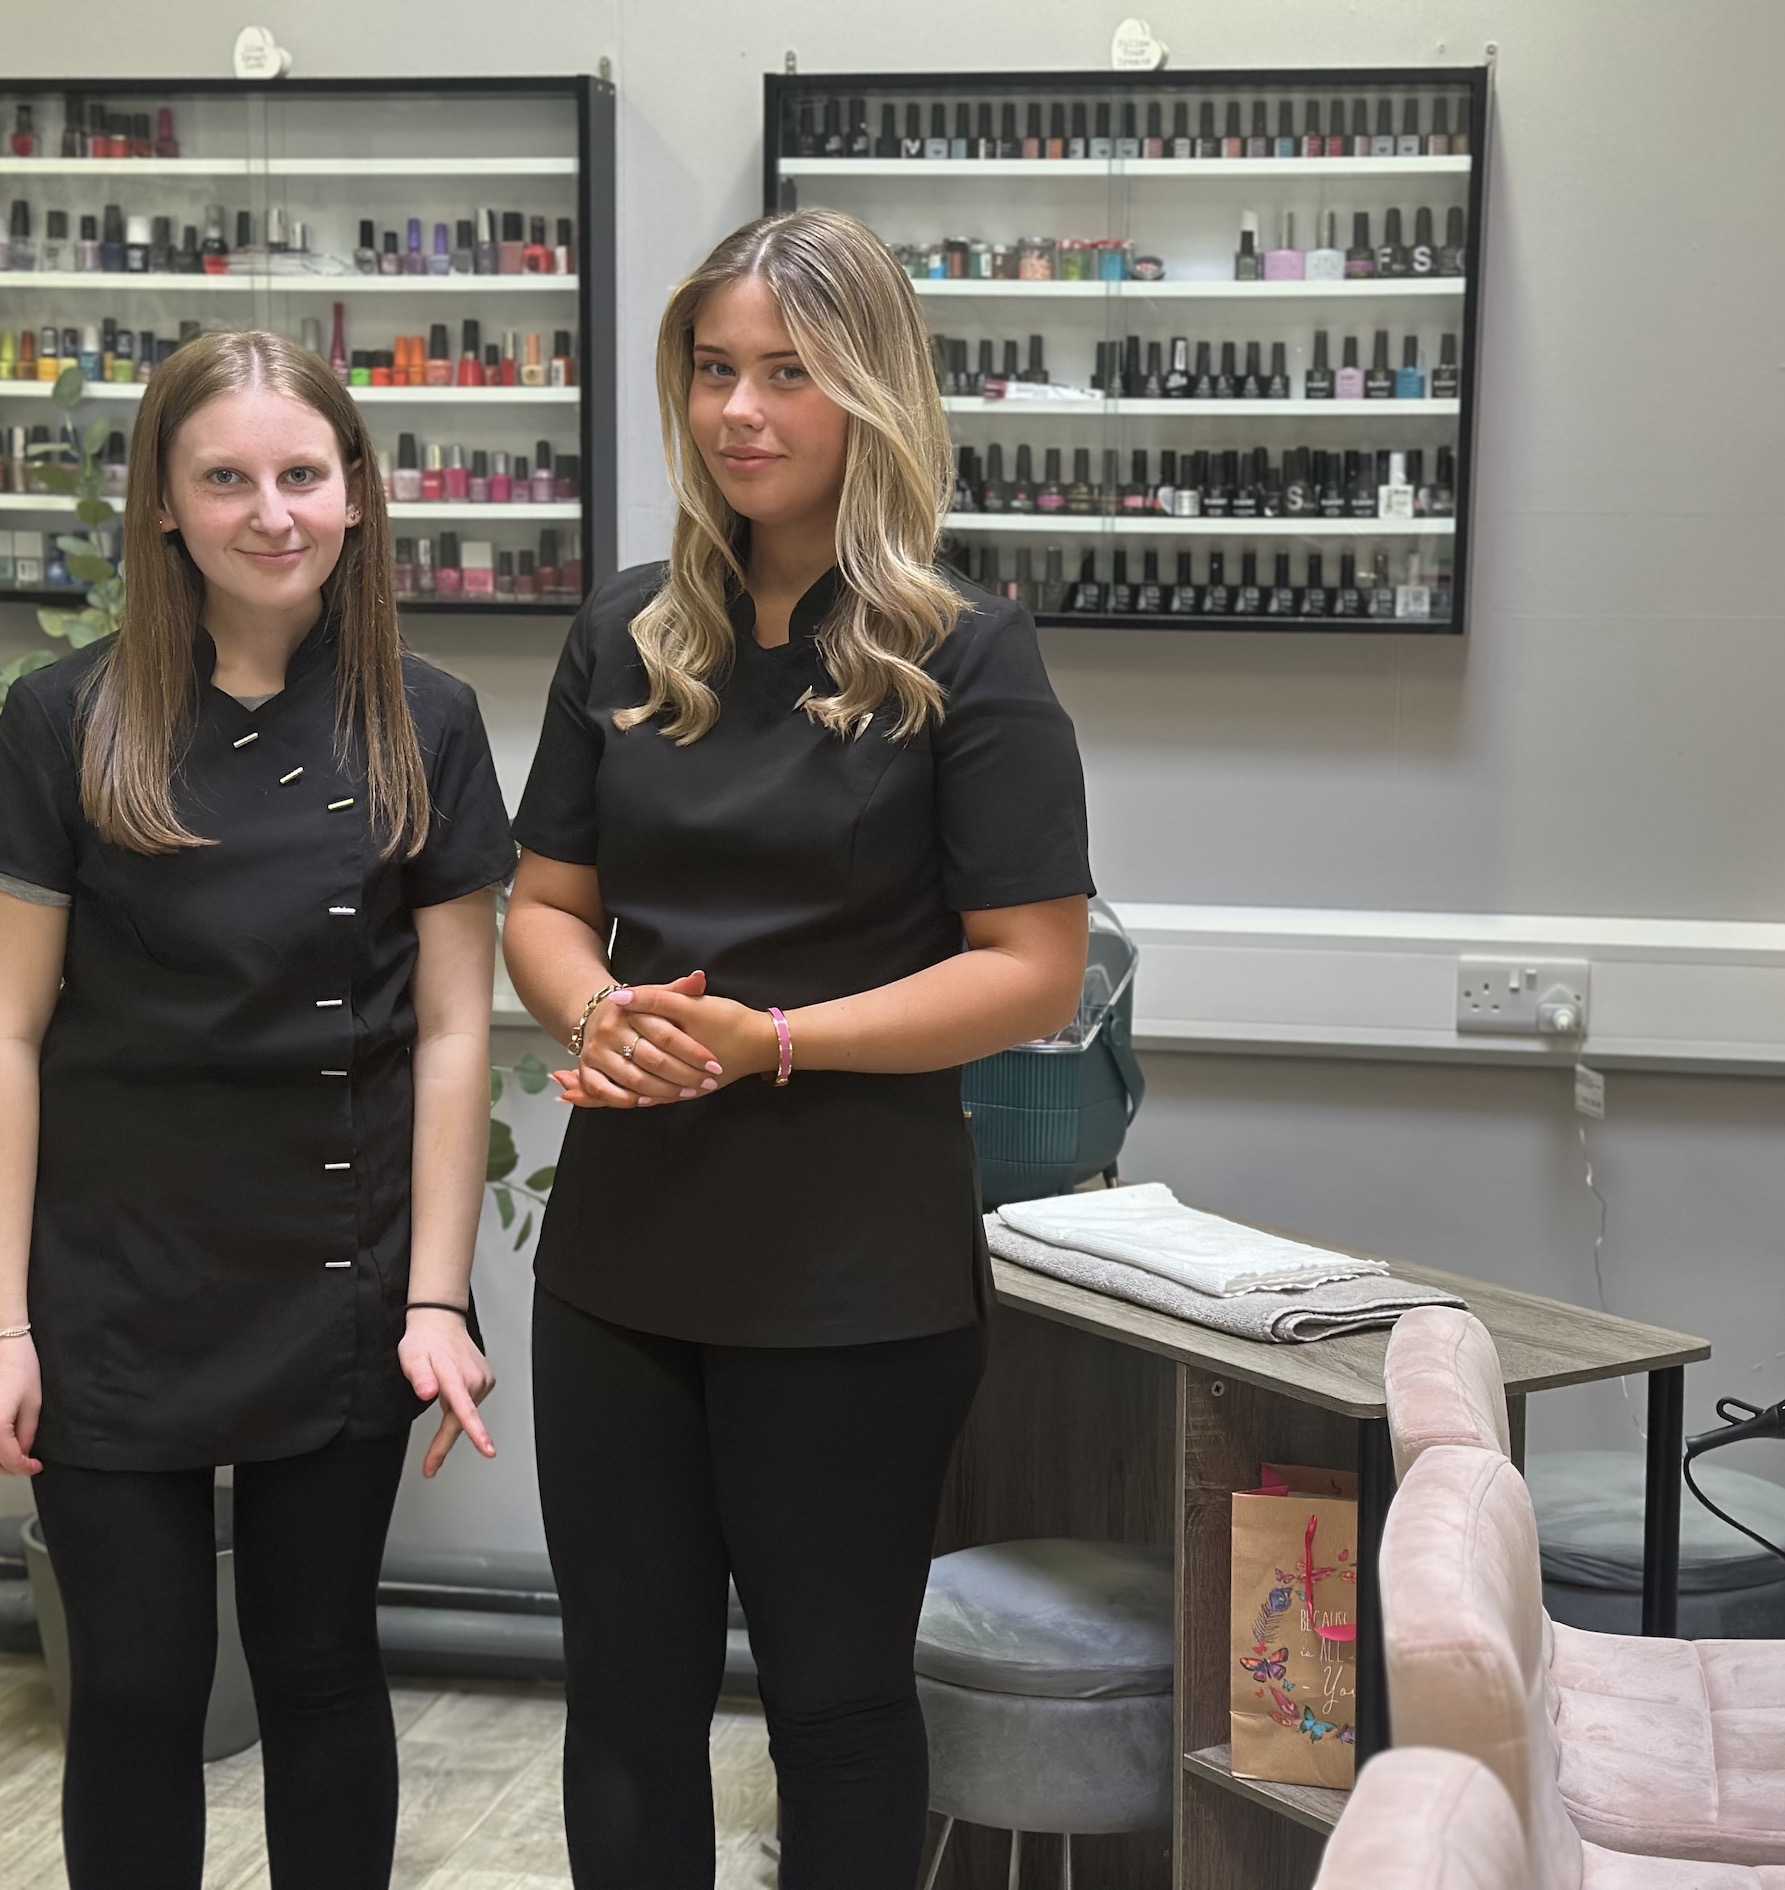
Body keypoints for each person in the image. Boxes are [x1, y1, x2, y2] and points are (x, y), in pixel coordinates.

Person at [503, 207, 1094, 1889]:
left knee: (832, 1705)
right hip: (624, 1259)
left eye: (787, 375)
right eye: (713, 372)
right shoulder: (625, 636)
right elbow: (542, 905)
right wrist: (595, 1009)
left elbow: (1032, 973)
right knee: (622, 1695)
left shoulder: (965, 657)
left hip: (853, 1272)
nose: (739, 411)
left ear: (872, 397)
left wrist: (770, 1038)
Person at [0, 329, 518, 1888]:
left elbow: (457, 1029)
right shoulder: (68, 720)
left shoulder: (428, 721)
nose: (270, 510)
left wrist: (434, 1294)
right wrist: (0, 1324)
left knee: (324, 1667)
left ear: (356, 498)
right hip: (115, 1284)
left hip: (337, 1277)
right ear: (165, 506)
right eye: (226, 478)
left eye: (302, 475)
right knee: (134, 1689)